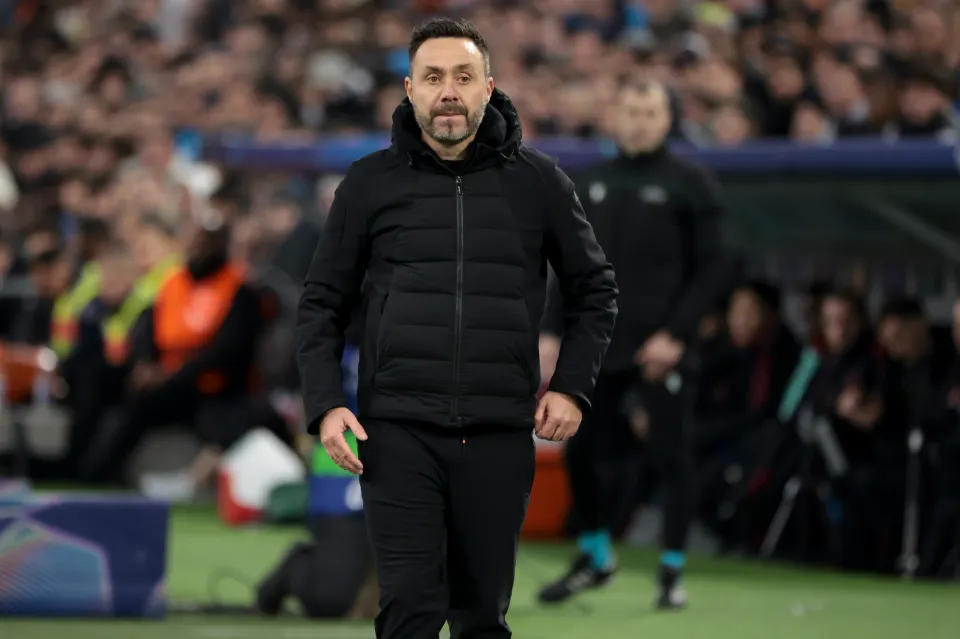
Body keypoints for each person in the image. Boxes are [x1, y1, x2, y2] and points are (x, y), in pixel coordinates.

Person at [297, 17, 617, 639]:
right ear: (409, 89)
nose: (449, 91)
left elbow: (595, 290)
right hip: (396, 432)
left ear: (488, 87)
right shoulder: (367, 184)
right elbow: (320, 303)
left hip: (498, 432)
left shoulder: (540, 182)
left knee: (480, 617)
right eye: (434, 77)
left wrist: (573, 387)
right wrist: (325, 405)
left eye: (464, 77)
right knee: (411, 609)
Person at [538, 80, 729, 609]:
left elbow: (713, 269)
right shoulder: (590, 182)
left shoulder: (692, 184)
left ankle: (672, 569)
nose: (640, 121)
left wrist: (677, 335)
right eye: (631, 111)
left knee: (672, 457)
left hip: (661, 348)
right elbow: (568, 262)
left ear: (667, 118)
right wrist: (553, 330)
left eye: (650, 112)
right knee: (580, 449)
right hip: (598, 345)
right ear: (614, 116)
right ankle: (596, 553)